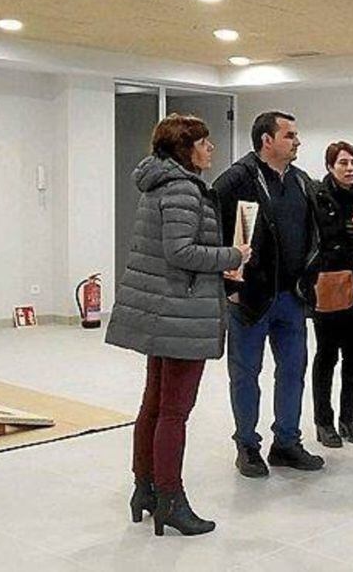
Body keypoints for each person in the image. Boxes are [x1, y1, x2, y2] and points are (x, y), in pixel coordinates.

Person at [107, 114, 251, 536]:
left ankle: (145, 489)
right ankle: (170, 497)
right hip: (181, 313)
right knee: (174, 411)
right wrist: (232, 256)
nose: (211, 150)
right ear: (184, 149)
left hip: (165, 310)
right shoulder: (184, 189)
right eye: (204, 143)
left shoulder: (161, 185)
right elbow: (181, 251)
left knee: (154, 403)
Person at [212, 111, 324, 477]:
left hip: (292, 297)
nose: (297, 141)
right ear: (267, 140)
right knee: (246, 373)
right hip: (250, 297)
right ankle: (247, 444)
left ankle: (287, 442)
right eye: (290, 135)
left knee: (293, 371)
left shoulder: (301, 182)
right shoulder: (235, 181)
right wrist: (229, 287)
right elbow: (216, 235)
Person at [301, 141, 353, 448]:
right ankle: (323, 421)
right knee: (326, 356)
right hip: (327, 285)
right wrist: (343, 229)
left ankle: (349, 418)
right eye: (343, 163)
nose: (350, 169)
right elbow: (314, 236)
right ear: (330, 167)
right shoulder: (318, 196)